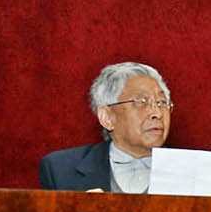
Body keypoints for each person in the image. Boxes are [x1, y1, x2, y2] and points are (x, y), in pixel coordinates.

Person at [39, 61, 173, 193]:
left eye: (161, 102)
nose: (157, 113)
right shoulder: (61, 169)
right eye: (141, 102)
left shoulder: (190, 169)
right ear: (107, 117)